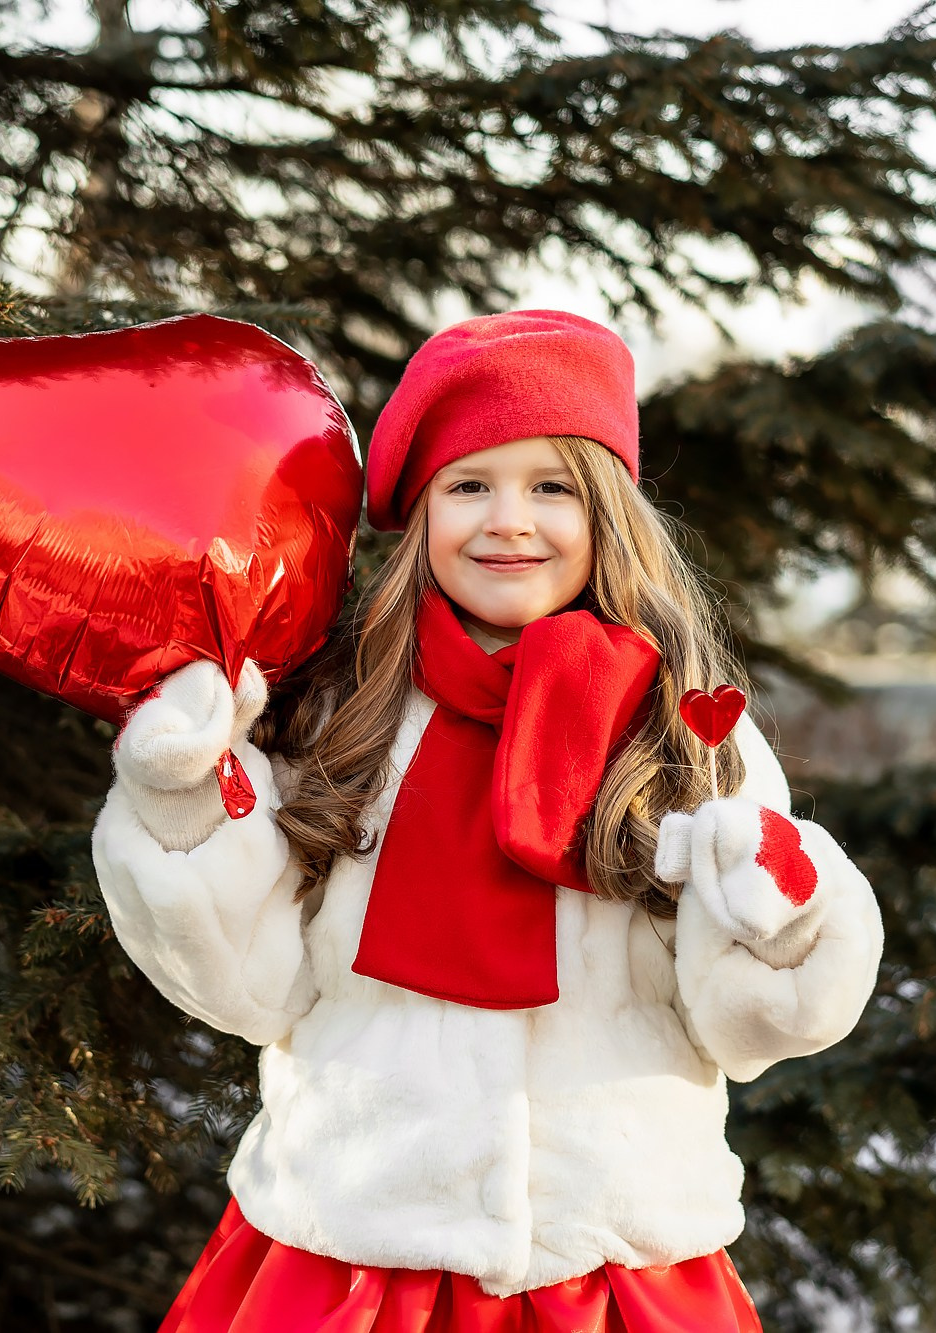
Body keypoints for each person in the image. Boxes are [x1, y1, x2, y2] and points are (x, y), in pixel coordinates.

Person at [92, 310, 884, 1330]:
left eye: (551, 487)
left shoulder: (681, 731)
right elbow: (252, 986)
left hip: (612, 1262)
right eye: (468, 485)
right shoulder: (339, 712)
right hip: (356, 1248)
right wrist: (185, 798)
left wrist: (783, 909)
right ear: (420, 511)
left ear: (607, 512)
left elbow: (743, 1026)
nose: (509, 520)